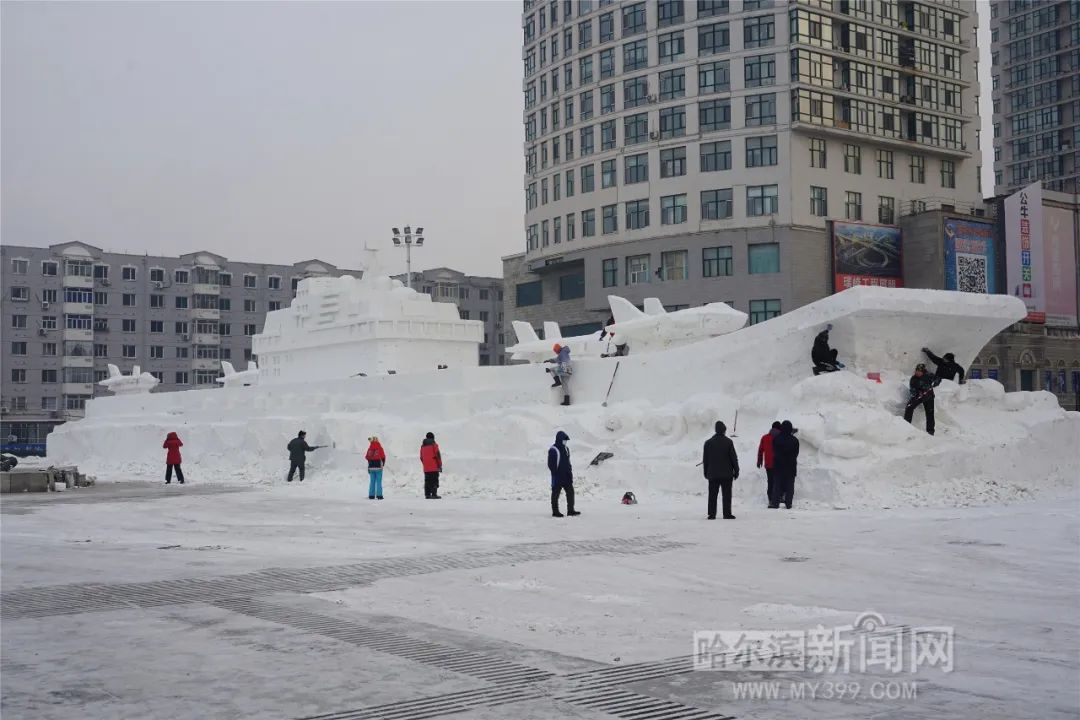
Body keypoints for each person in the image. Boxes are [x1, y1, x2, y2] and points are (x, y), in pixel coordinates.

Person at [702, 421, 739, 519]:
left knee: (712, 495)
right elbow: (733, 458)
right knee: (727, 494)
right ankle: (727, 513)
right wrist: (736, 470)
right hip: (727, 474)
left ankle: (711, 514)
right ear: (724, 430)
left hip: (713, 474)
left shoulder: (708, 443)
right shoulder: (728, 442)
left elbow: (705, 460)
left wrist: (706, 472)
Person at [548, 430, 580, 517]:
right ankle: (555, 511)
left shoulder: (566, 449)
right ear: (560, 439)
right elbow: (551, 464)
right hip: (558, 476)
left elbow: (567, 462)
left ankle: (571, 510)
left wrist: (569, 472)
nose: (565, 441)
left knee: (570, 493)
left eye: (566, 440)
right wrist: (556, 474)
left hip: (567, 476)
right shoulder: (553, 449)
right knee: (555, 494)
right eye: (564, 439)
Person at [770, 420, 799, 508]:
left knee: (777, 485)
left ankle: (775, 503)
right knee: (790, 486)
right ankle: (788, 503)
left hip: (778, 466)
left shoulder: (776, 439)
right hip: (791, 466)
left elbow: (774, 451)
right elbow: (796, 453)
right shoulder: (795, 440)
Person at [904, 363, 936, 435]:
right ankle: (905, 426)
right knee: (909, 407)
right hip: (919, 396)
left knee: (930, 413)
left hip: (929, 396)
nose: (917, 372)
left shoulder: (928, 376)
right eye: (916, 371)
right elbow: (912, 390)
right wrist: (916, 393)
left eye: (919, 371)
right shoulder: (913, 379)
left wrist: (936, 382)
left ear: (923, 371)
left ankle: (930, 431)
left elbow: (937, 378)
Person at [757, 421, 781, 506]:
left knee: (770, 482)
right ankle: (778, 498)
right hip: (778, 464)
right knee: (778, 481)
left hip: (768, 464)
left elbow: (760, 450)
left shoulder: (765, 437)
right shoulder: (780, 437)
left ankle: (771, 500)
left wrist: (759, 461)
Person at [420, 432, 442, 498]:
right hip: (434, 466)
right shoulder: (434, 445)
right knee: (434, 480)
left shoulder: (422, 446)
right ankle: (434, 494)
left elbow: (421, 457)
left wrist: (425, 464)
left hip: (426, 468)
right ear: (433, 437)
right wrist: (440, 465)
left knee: (427, 481)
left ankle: (427, 494)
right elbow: (437, 455)